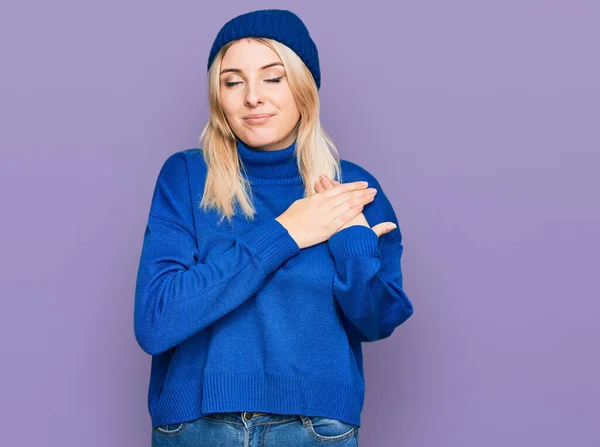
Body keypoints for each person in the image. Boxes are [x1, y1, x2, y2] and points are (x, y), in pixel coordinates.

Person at [134, 8, 414, 446]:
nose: (252, 97)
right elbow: (156, 322)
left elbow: (376, 322)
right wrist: (286, 232)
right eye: (232, 81)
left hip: (315, 430)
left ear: (303, 86)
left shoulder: (350, 189)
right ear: (218, 95)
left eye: (272, 77)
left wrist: (355, 248)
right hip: (197, 427)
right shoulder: (187, 177)